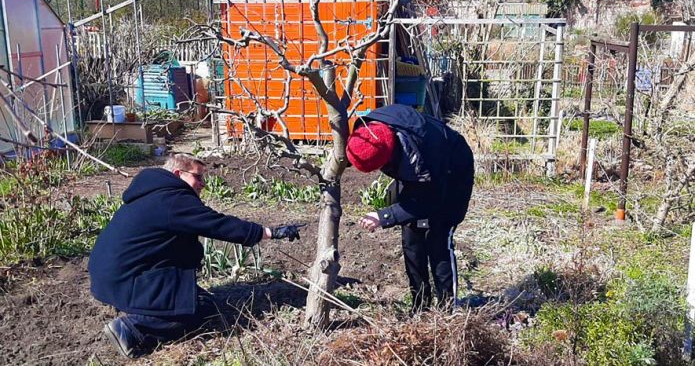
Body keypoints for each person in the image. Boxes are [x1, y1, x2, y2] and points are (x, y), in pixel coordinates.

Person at [88, 153, 302, 358]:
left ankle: (145, 310)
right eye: (198, 176)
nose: (203, 183)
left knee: (202, 301)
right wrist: (269, 233)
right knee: (197, 313)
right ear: (178, 175)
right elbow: (217, 224)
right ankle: (133, 329)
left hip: (113, 275)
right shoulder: (172, 199)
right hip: (126, 279)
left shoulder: (153, 193)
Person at [347, 104, 474, 312]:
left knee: (438, 239)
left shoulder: (428, 155)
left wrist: (384, 216)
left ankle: (447, 310)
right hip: (417, 167)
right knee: (412, 240)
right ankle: (420, 305)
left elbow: (428, 201)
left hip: (451, 172)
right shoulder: (369, 129)